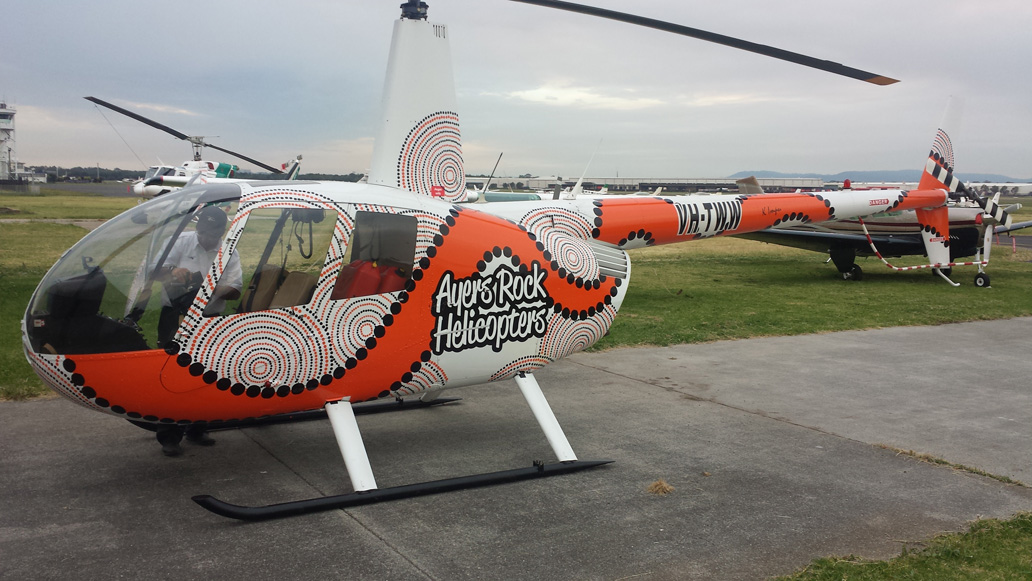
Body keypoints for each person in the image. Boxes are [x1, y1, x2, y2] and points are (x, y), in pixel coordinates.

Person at [155, 205, 242, 456]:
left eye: (212, 234)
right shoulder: (180, 241)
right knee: (171, 374)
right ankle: (169, 435)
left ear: (221, 232)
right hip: (174, 314)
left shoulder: (229, 251)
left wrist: (209, 286)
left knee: (206, 373)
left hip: (208, 317)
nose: (205, 238)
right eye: (202, 232)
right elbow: (154, 270)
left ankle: (197, 428)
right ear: (198, 228)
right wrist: (173, 271)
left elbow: (235, 290)